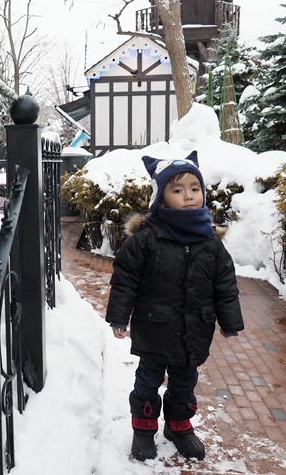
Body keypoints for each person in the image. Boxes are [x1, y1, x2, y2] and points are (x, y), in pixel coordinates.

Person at [105, 151, 244, 462]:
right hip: (154, 328)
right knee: (148, 381)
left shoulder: (210, 241)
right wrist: (119, 317)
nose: (189, 196)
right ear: (162, 197)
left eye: (195, 189)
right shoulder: (146, 238)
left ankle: (179, 427)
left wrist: (230, 321)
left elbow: (225, 283)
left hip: (194, 329)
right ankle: (143, 429)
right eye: (178, 190)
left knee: (185, 382)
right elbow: (125, 279)